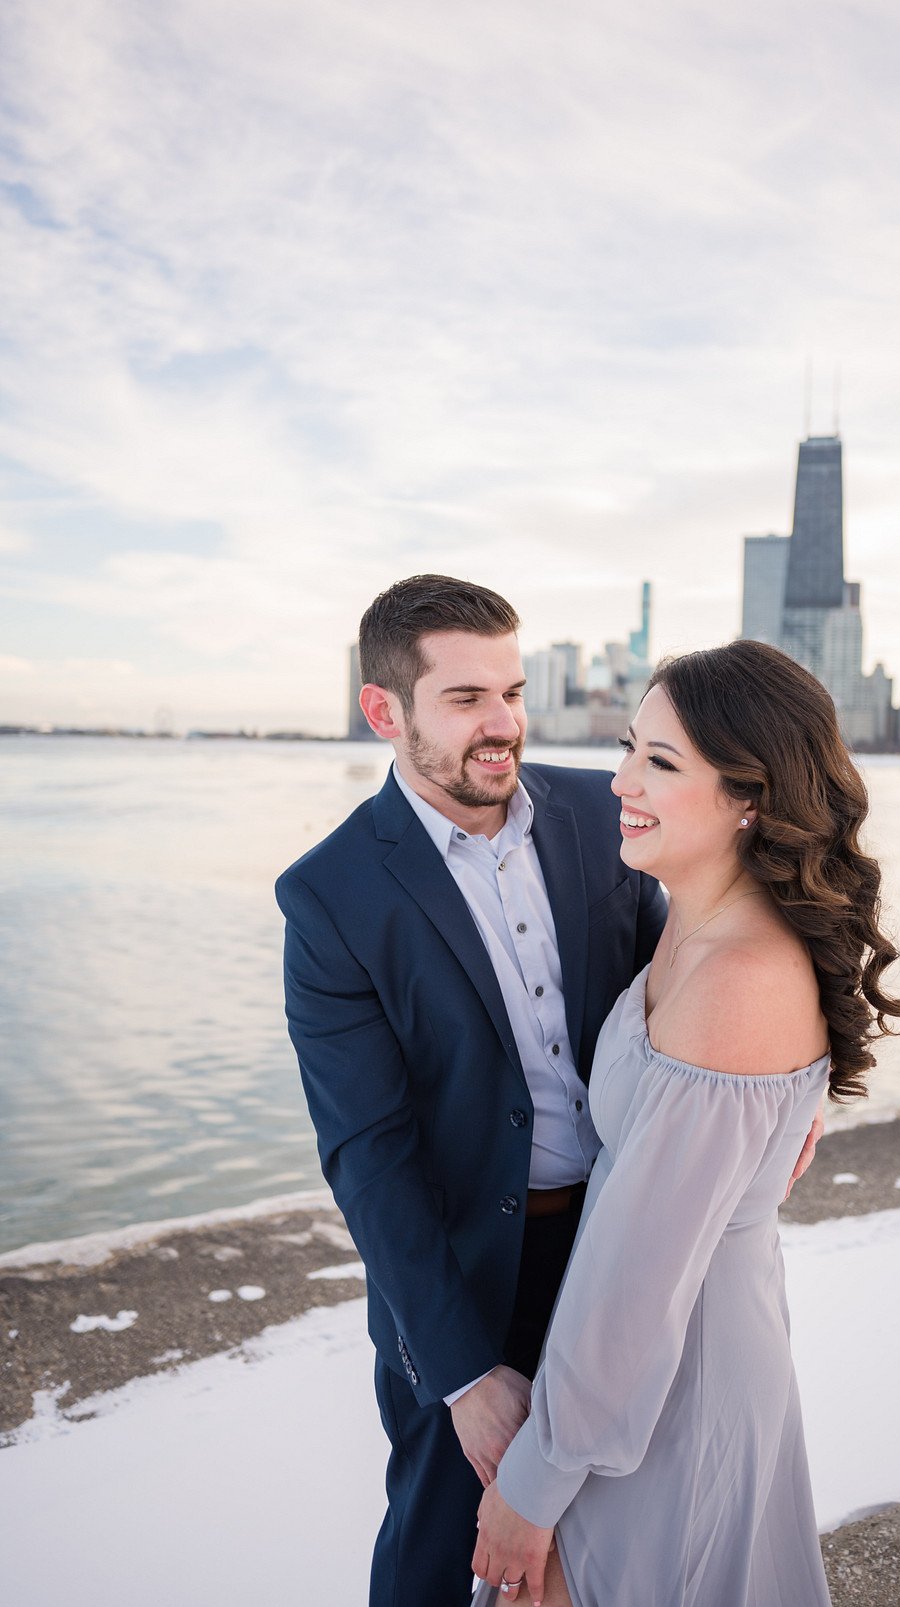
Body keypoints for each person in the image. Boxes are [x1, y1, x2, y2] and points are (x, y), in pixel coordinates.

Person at [472, 640, 900, 1607]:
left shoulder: (740, 978)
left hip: (678, 1388)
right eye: (629, 746)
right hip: (649, 1372)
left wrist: (535, 1482)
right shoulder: (690, 914)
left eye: (660, 763)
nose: (621, 780)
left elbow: (637, 1280)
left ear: (750, 797)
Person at [275, 573, 673, 1604]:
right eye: (465, 700)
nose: (503, 726)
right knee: (440, 1550)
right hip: (464, 1283)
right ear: (384, 711)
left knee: (616, 1538)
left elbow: (691, 977)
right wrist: (457, 1371)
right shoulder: (331, 896)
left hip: (621, 1242)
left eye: (513, 691)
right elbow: (368, 1152)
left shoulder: (604, 811)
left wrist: (788, 1095)